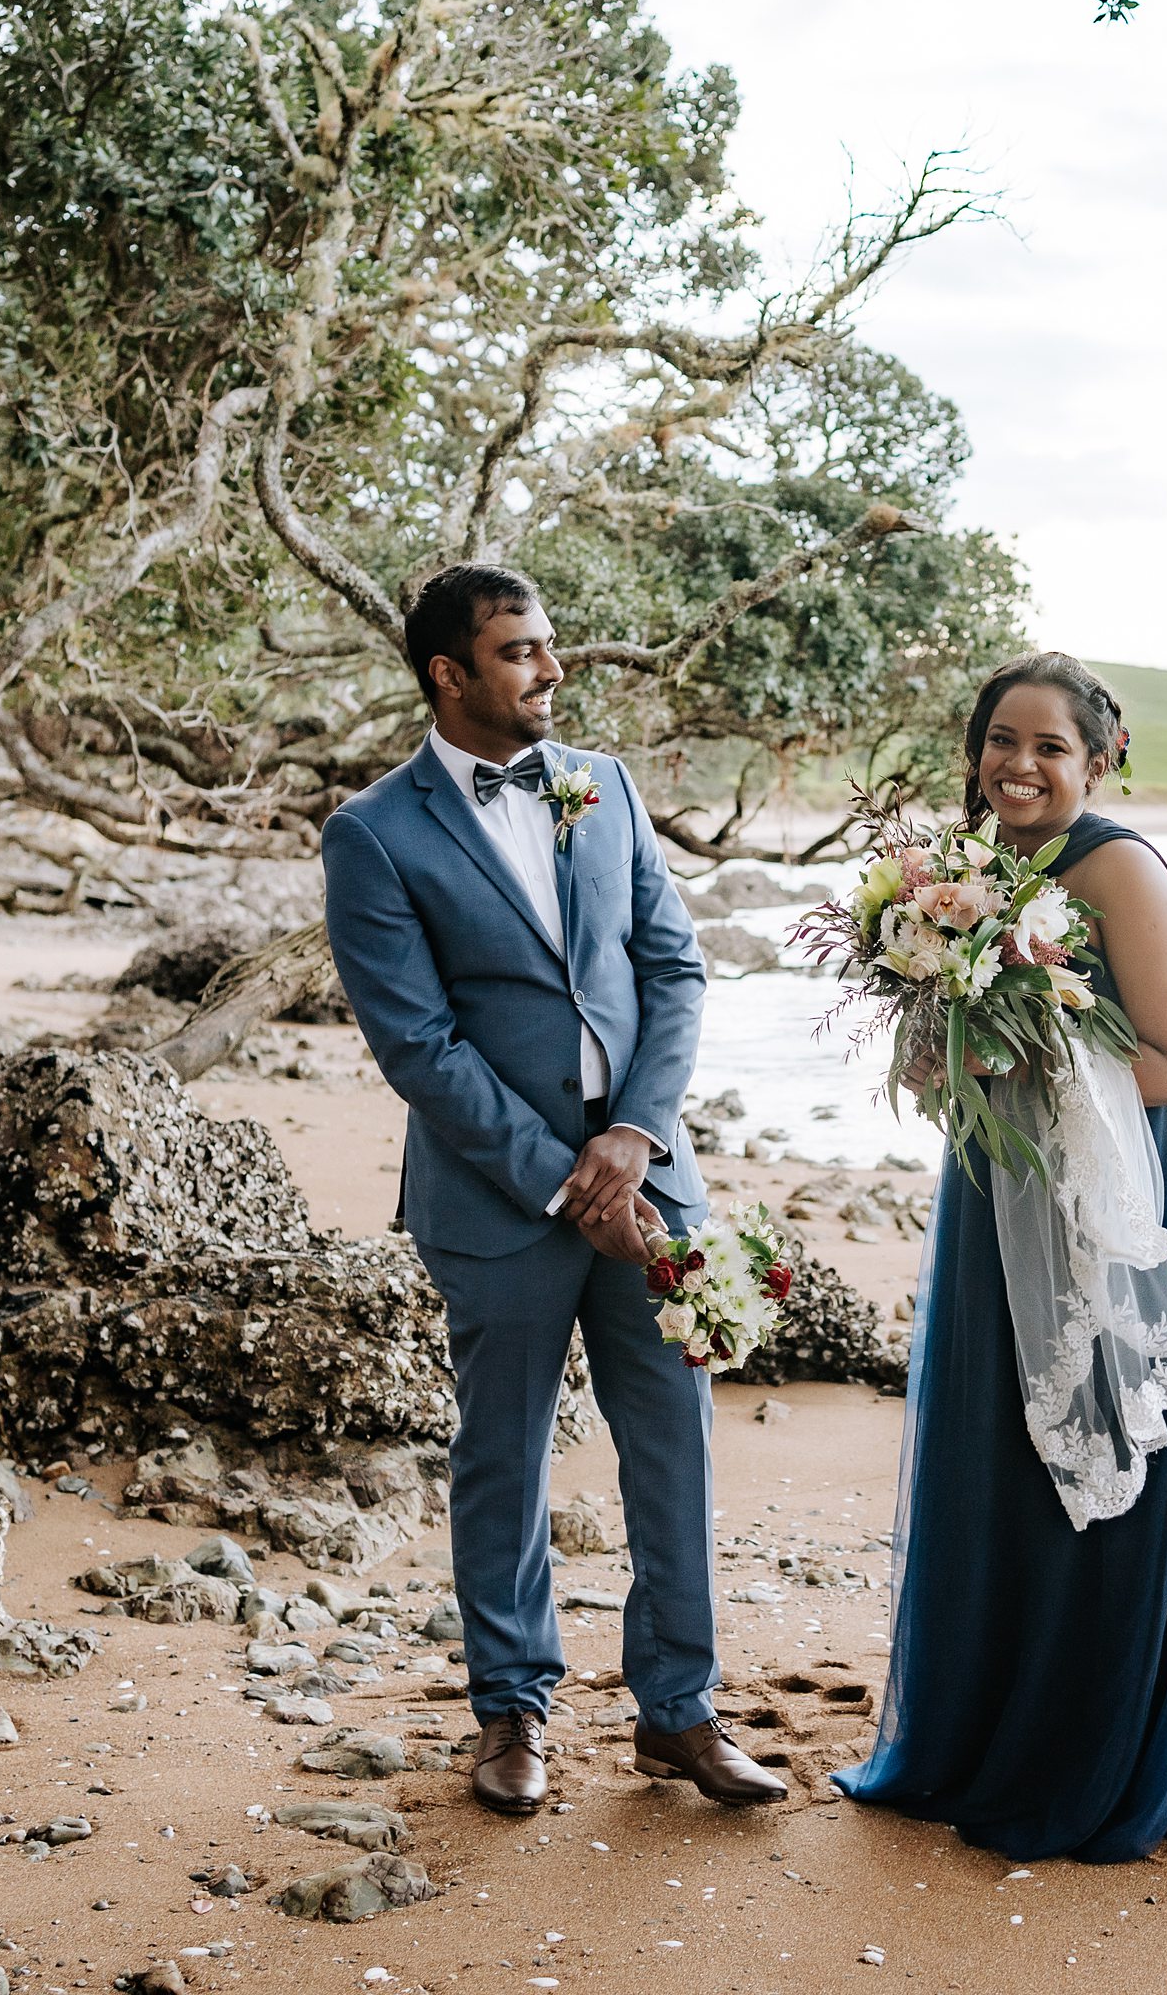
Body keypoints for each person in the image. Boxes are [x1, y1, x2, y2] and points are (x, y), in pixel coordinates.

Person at [834, 652, 1167, 1862]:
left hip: (1143, 1188)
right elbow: (951, 1031)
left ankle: (1123, 1745)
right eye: (1000, 741)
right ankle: (995, 1728)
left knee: (1134, 1460)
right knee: (1002, 1446)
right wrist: (941, 1048)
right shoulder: (955, 878)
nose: (1020, 764)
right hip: (1003, 1177)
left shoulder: (1117, 865)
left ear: (1098, 758)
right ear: (974, 752)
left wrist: (1014, 1060)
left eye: (1050, 747)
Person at [320, 563, 786, 1816]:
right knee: (504, 1455)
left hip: (652, 1177)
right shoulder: (372, 833)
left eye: (549, 644)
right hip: (495, 1198)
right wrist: (568, 1185)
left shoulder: (607, 784)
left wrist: (634, 1134)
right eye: (522, 650)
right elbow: (418, 1046)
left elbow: (672, 970)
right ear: (449, 674)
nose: (552, 668)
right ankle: (512, 1711)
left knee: (673, 1447)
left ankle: (678, 1713)